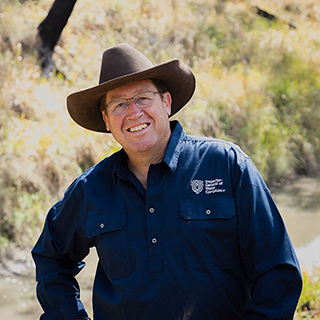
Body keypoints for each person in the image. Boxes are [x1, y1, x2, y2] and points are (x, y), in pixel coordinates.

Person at [32, 43, 302, 320]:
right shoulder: (91, 189)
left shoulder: (227, 164)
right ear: (107, 120)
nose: (134, 112)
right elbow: (51, 259)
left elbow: (278, 271)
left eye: (143, 98)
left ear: (166, 102)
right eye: (119, 104)